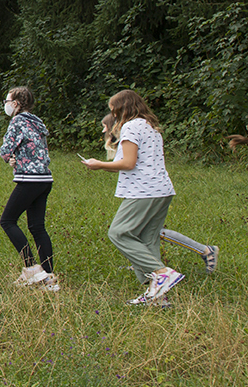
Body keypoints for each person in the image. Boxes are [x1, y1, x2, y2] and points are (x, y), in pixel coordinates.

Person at [83, 91, 187, 305]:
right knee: (148, 240)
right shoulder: (150, 126)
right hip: (162, 190)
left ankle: (163, 273)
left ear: (122, 108)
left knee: (119, 232)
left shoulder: (130, 127)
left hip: (143, 191)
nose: (112, 113)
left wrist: (99, 164)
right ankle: (158, 297)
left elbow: (129, 163)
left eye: (113, 109)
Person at [99, 113, 219, 274]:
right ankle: (149, 269)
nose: (103, 131)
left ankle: (202, 251)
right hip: (149, 189)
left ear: (114, 125)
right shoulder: (141, 131)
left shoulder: (133, 132)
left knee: (144, 232)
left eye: (104, 126)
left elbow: (128, 164)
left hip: (148, 190)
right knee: (146, 233)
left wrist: (99, 164)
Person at [0, 87, 57, 291]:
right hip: (44, 179)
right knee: (37, 227)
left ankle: (32, 268)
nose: (5, 105)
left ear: (16, 104)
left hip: (28, 179)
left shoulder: (17, 121)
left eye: (7, 101)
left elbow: (6, 149)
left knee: (7, 221)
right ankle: (48, 276)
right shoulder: (36, 121)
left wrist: (9, 158)